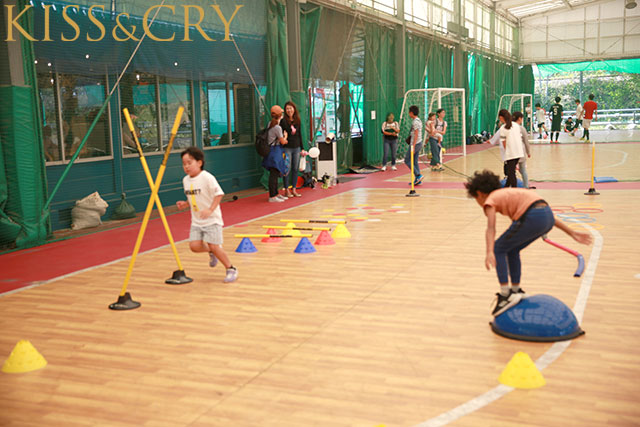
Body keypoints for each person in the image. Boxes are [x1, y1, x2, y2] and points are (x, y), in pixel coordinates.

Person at [464, 170, 592, 316]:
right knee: (512, 250)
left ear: (480, 193)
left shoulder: (490, 200)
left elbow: (491, 228)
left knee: (499, 248)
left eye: (476, 198)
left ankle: (505, 294)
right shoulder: (509, 194)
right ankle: (516, 290)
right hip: (547, 216)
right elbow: (546, 214)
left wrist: (489, 252)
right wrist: (571, 232)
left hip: (531, 216)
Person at [176, 146, 238, 283]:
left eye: (189, 162)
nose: (186, 166)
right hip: (196, 221)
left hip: (212, 220)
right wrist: (185, 204)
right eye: (184, 163)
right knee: (194, 247)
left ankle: (231, 268)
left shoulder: (207, 177)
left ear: (199, 162)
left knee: (215, 246)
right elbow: (193, 196)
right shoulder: (186, 180)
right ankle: (211, 252)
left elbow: (219, 194)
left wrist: (210, 210)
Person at [263, 105, 289, 202]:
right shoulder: (277, 127)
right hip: (275, 152)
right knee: (274, 174)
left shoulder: (270, 124)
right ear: (280, 115)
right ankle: (272, 196)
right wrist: (285, 136)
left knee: (274, 173)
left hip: (271, 151)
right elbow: (283, 141)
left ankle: (276, 193)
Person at [280, 101, 302, 197]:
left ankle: (294, 189)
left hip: (296, 148)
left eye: (291, 108)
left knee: (295, 168)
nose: (289, 110)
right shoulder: (283, 121)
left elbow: (300, 134)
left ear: (294, 109)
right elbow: (282, 134)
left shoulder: (297, 120)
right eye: (287, 109)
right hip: (287, 148)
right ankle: (287, 190)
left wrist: (302, 148)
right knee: (287, 169)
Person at [498, 109, 524, 188]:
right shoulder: (516, 125)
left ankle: (514, 190)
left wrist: (506, 153)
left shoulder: (503, 128)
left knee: (511, 173)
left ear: (501, 118)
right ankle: (506, 187)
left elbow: (504, 143)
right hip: (519, 152)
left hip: (511, 153)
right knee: (510, 172)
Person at [404, 105, 423, 185]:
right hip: (419, 142)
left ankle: (418, 175)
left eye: (409, 112)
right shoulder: (419, 120)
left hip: (415, 143)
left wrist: (413, 145)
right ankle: (418, 179)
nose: (409, 114)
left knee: (407, 160)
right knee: (415, 161)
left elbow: (416, 134)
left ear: (411, 113)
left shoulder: (415, 122)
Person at [512, 111, 531, 189]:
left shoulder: (508, 127)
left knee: (512, 172)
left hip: (512, 153)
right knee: (523, 171)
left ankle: (513, 186)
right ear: (519, 118)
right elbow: (526, 141)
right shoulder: (521, 128)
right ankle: (526, 186)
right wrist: (528, 152)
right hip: (521, 153)